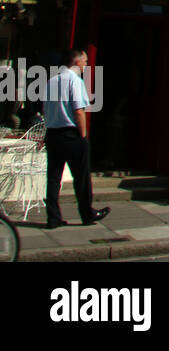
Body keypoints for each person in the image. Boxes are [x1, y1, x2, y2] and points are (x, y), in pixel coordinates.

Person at [42, 48, 109, 230]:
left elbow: (45, 109)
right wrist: (83, 135)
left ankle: (53, 217)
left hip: (53, 133)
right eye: (85, 61)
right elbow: (79, 110)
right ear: (77, 62)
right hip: (71, 134)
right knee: (81, 176)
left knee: (54, 177)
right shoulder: (75, 81)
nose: (86, 64)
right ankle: (87, 213)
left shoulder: (51, 81)